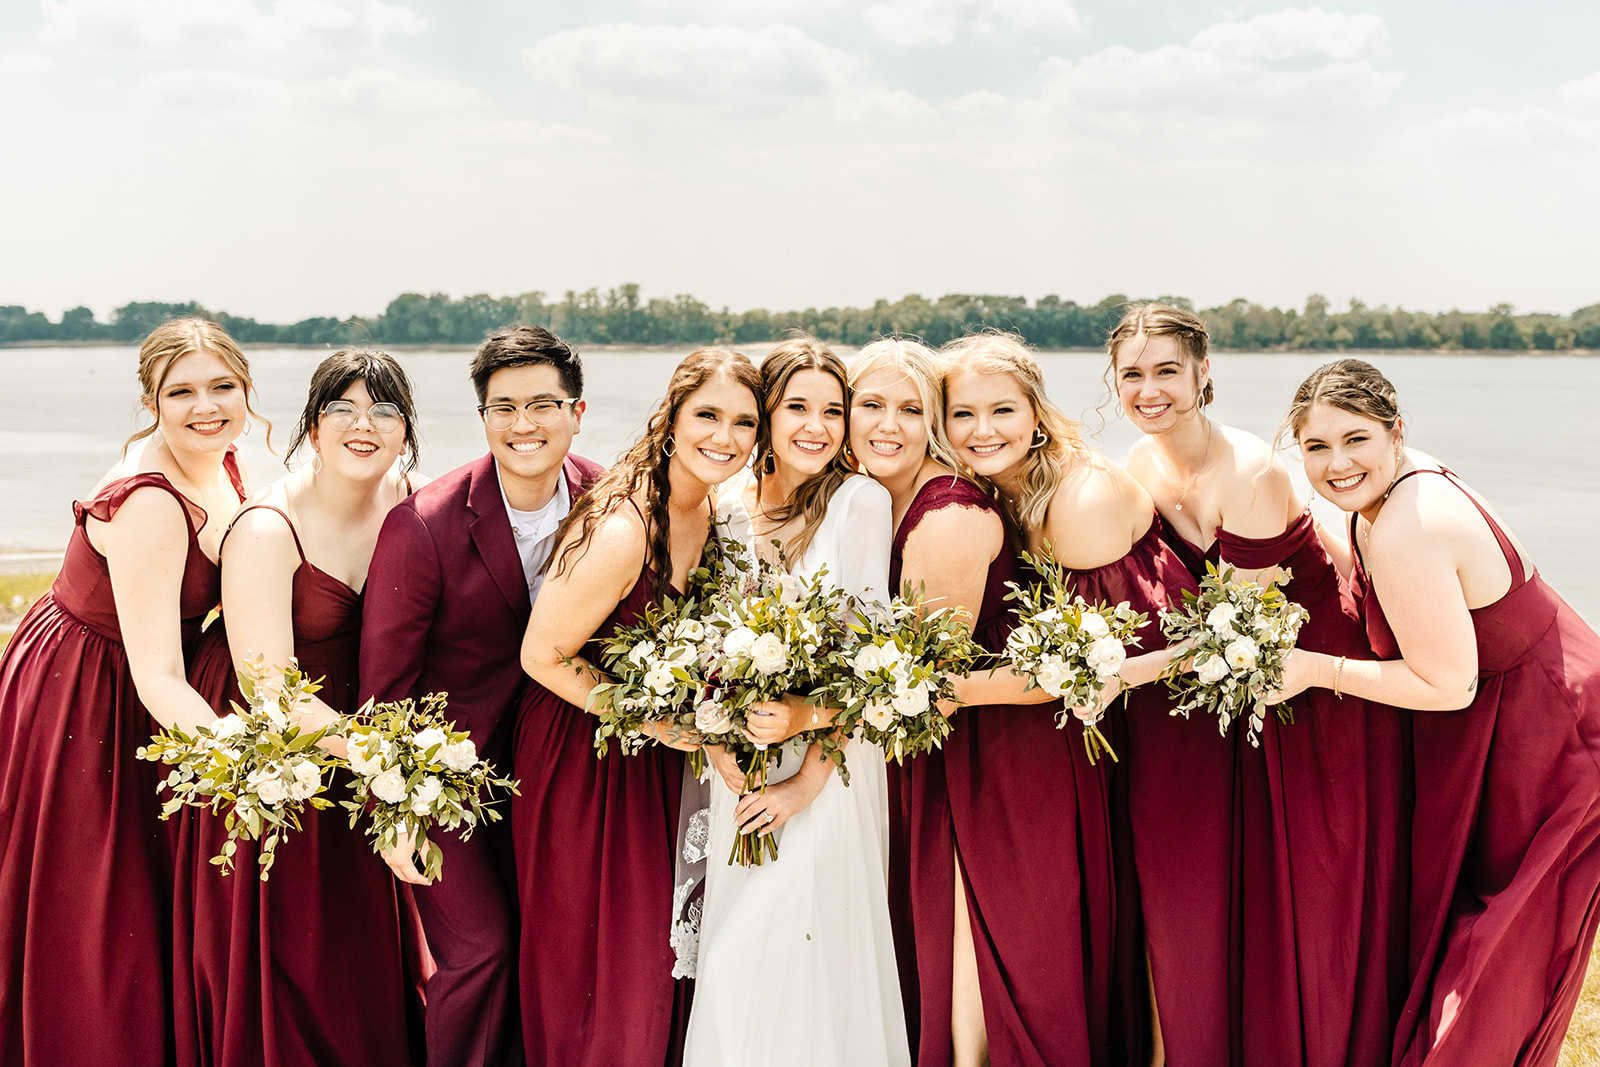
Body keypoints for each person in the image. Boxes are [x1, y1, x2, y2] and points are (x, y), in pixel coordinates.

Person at [1273, 358, 1600, 1067]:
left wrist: (1311, 670)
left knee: (1498, 950)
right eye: (1316, 447)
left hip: (1551, 737)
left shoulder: (1408, 526)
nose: (1337, 463)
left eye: (1355, 439)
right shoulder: (1397, 488)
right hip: (1520, 718)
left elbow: (1449, 685)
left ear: (1394, 430)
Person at [1110, 305, 1407, 1065]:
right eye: (1133, 373)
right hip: (1235, 693)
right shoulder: (1140, 464)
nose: (1150, 390)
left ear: (1203, 373)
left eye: (1167, 370)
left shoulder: (1248, 471)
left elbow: (1230, 630)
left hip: (1310, 688)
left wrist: (1124, 673)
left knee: (1300, 888)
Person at [0, 317, 255, 1066]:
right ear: (151, 400)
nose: (206, 406)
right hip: (91, 683)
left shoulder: (222, 457)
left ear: (247, 389)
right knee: (96, 893)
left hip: (134, 666)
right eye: (182, 392)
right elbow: (156, 675)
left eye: (223, 387)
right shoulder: (149, 504)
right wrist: (251, 759)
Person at [361, 324, 603, 1066]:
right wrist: (391, 807)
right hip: (446, 780)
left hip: (560, 773)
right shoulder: (424, 525)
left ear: (578, 411)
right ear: (482, 419)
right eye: (503, 408)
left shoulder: (611, 500)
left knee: (559, 948)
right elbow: (386, 686)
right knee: (481, 950)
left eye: (541, 404)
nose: (523, 424)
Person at [180, 348, 427, 1066]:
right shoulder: (265, 529)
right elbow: (273, 694)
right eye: (342, 408)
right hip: (281, 757)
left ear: (405, 432)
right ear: (312, 428)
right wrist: (394, 764)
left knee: (363, 946)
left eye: (384, 410)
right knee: (297, 954)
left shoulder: (406, 495)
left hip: (359, 736)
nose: (364, 424)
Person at [515, 347, 761, 1065]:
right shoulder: (626, 526)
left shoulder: (715, 509)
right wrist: (651, 718)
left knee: (657, 956)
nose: (725, 436)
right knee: (601, 960)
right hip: (583, 756)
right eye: (707, 415)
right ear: (672, 418)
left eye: (743, 422)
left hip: (657, 758)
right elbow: (542, 655)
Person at [937, 331, 1170, 1066]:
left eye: (1001, 409)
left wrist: (942, 692)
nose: (982, 431)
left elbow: (1097, 664)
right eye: (961, 414)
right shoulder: (988, 490)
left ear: (1037, 412)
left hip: (1144, 729)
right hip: (1061, 730)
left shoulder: (1079, 499)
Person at [683, 335, 909, 1067]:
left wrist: (804, 780)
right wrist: (726, 758)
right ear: (765, 417)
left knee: (768, 960)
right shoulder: (723, 506)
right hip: (739, 775)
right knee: (746, 960)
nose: (818, 426)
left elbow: (870, 660)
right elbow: (699, 653)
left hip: (826, 772)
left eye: (834, 410)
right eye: (797, 407)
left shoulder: (859, 502)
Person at [846, 337, 1020, 1065]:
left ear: (936, 426)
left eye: (911, 409)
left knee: (952, 960)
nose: (888, 424)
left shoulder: (945, 515)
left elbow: (918, 687)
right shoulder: (867, 498)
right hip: (900, 751)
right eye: (871, 404)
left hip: (958, 760)